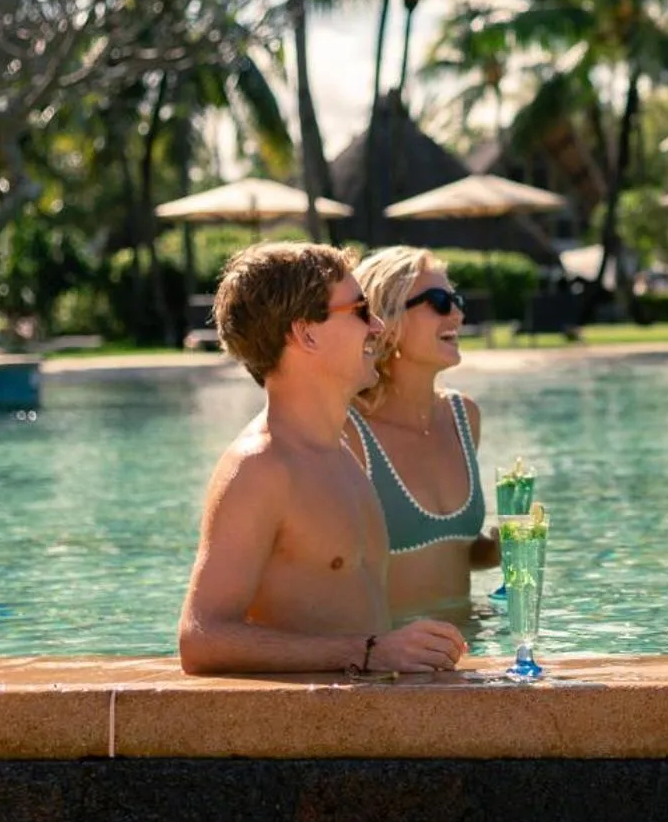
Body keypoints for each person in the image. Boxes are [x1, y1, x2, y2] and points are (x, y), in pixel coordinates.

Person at [177, 242, 467, 675]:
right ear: (305, 334)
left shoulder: (340, 453)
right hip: (312, 734)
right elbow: (201, 638)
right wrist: (369, 652)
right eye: (360, 310)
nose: (377, 326)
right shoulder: (260, 468)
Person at [347, 246, 500, 619]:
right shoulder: (350, 432)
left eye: (456, 300)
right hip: (395, 663)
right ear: (388, 319)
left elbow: (448, 550)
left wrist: (499, 549)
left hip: (469, 652)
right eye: (439, 301)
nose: (458, 314)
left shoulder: (463, 417)